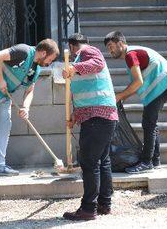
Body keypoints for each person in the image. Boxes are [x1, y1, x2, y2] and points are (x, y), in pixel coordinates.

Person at [0, 39, 59, 182]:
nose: (49, 63)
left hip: (5, 95)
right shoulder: (24, 51)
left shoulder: (36, 69)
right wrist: (0, 79)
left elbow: (30, 91)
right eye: (50, 60)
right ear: (44, 53)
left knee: (5, 127)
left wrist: (25, 107)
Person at [104, 31, 167, 174]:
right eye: (108, 48)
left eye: (111, 46)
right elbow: (135, 83)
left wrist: (119, 96)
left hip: (162, 86)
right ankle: (155, 160)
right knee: (151, 123)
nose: (110, 50)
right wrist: (123, 98)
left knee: (148, 124)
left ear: (120, 43)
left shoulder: (130, 55)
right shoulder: (132, 53)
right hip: (164, 86)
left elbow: (138, 82)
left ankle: (146, 162)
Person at [62, 33, 118, 221]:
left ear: (71, 46)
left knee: (89, 162)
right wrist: (74, 116)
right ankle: (104, 204)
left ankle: (88, 209)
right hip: (102, 116)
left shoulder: (87, 51)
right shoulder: (82, 56)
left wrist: (73, 67)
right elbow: (86, 93)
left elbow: (97, 64)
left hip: (98, 117)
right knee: (102, 160)